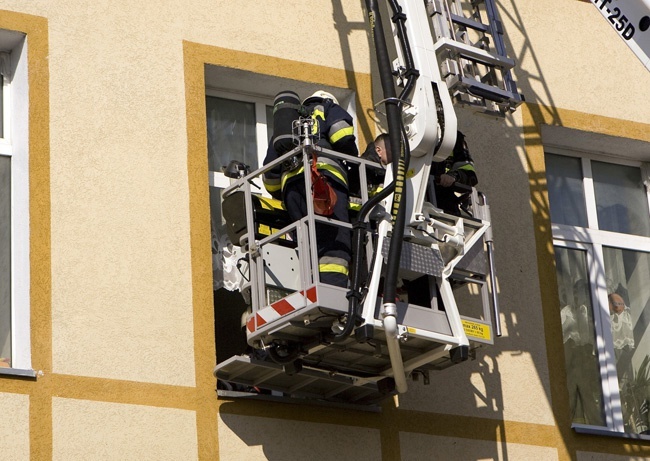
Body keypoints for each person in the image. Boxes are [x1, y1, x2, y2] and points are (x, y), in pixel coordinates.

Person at [262, 90, 357, 288]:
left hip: (292, 191)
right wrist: (353, 161)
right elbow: (343, 135)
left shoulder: (286, 126)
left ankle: (309, 285)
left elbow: (270, 178)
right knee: (333, 240)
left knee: (306, 240)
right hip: (324, 182)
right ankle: (334, 289)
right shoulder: (327, 107)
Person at [362, 130, 478, 215]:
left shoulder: (453, 137)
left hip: (442, 208)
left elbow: (469, 174)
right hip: (403, 208)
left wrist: (453, 176)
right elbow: (375, 156)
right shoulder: (406, 130)